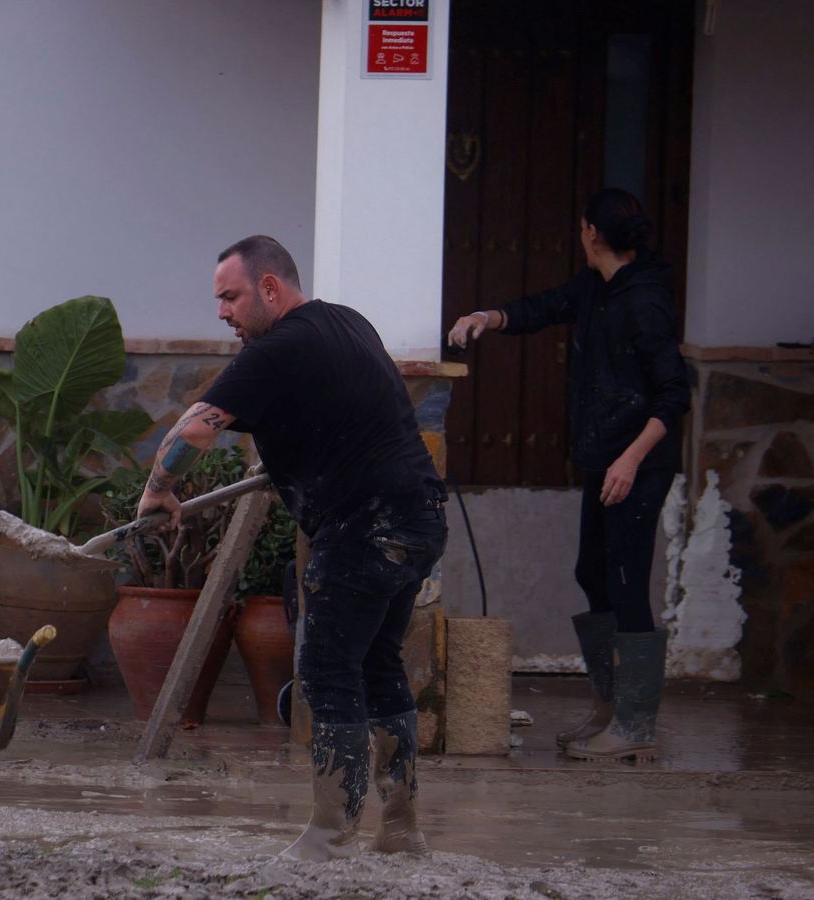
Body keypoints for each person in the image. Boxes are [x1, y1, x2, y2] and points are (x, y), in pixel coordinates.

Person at [137, 235, 447, 860]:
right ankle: (402, 828)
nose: (222, 312)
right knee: (378, 664)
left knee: (328, 671)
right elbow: (337, 411)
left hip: (363, 529)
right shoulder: (347, 324)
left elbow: (195, 427)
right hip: (418, 521)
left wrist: (156, 493)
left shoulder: (280, 347)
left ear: (270, 288)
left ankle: (331, 837)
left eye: (230, 296)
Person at [447, 188, 690, 763]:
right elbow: (544, 306)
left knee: (628, 583)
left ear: (590, 232)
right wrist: (488, 317)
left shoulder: (645, 302)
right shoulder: (597, 286)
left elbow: (674, 395)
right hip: (606, 460)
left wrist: (631, 460)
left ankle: (636, 725)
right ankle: (610, 708)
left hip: (640, 462)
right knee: (592, 571)